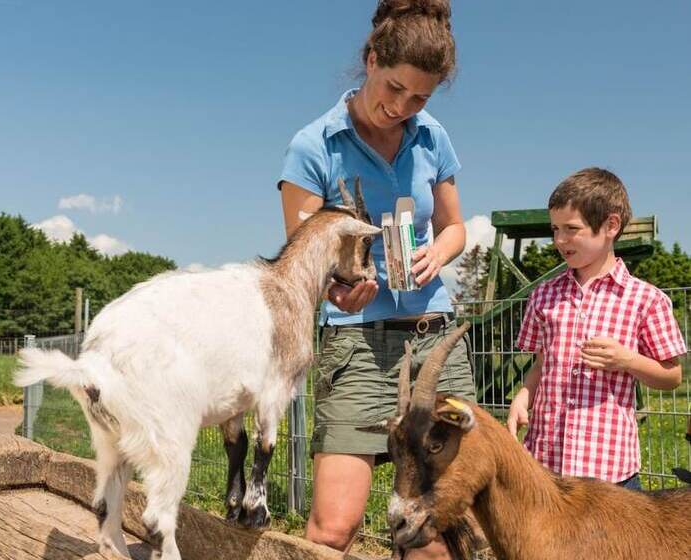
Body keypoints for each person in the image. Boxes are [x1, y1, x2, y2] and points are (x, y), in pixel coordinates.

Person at [277, 1, 475, 557]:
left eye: (420, 98)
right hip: (358, 344)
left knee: (435, 535)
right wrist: (340, 289)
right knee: (333, 530)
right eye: (394, 88)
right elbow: (303, 264)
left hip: (434, 339)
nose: (402, 107)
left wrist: (439, 250)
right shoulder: (313, 145)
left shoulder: (432, 136)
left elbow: (455, 225)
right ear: (370, 60)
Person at [508, 167, 686, 490]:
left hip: (610, 472)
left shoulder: (646, 300)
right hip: (548, 463)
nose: (560, 240)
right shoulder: (544, 295)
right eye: (555, 229)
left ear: (610, 225)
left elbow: (672, 376)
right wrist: (523, 396)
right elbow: (541, 364)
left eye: (572, 229)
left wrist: (626, 360)